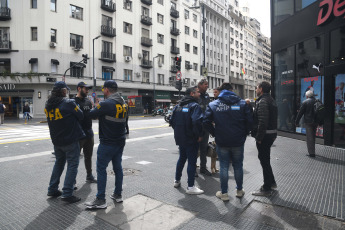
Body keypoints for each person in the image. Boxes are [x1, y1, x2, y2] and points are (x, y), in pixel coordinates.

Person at [204, 82, 253, 201]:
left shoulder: (213, 104)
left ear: (220, 91)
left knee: (224, 166)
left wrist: (214, 132)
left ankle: (224, 193)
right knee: (238, 166)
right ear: (232, 90)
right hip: (238, 141)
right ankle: (239, 190)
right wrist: (244, 133)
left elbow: (205, 121)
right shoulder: (242, 103)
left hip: (222, 140)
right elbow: (250, 121)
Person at [85, 80, 128, 209]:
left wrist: (96, 105)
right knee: (118, 168)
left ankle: (100, 199)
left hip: (108, 142)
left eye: (103, 89)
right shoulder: (124, 103)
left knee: (101, 169)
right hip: (120, 141)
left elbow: (90, 115)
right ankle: (118, 194)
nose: (103, 91)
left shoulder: (106, 104)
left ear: (107, 90)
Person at [45, 81, 85, 203]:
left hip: (57, 141)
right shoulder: (68, 103)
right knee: (72, 165)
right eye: (66, 90)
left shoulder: (48, 104)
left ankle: (52, 189)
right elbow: (81, 115)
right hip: (70, 139)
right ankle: (67, 193)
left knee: (59, 163)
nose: (67, 92)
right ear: (63, 91)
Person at [170, 86, 204, 195]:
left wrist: (179, 131)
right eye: (198, 92)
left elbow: (171, 121)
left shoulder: (178, 106)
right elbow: (196, 121)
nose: (199, 94)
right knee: (192, 161)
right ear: (192, 94)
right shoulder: (195, 106)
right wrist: (198, 134)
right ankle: (190, 186)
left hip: (180, 138)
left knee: (182, 158)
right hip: (191, 138)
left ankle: (177, 180)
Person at [252, 81, 278, 197]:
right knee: (265, 159)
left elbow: (262, 122)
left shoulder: (263, 101)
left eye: (257, 88)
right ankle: (271, 182)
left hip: (265, 135)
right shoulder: (271, 100)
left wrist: (259, 137)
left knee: (264, 160)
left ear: (261, 89)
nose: (256, 90)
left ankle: (266, 187)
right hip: (271, 134)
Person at [75, 82, 97, 183]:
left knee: (88, 156)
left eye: (88, 89)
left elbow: (91, 115)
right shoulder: (73, 101)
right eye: (86, 89)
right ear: (79, 89)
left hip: (89, 133)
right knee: (74, 159)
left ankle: (89, 175)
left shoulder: (88, 101)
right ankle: (72, 180)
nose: (88, 90)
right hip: (78, 135)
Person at [295, 90, 317, 157]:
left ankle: (311, 153)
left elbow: (300, 113)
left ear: (307, 96)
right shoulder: (317, 101)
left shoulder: (305, 102)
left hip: (308, 122)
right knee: (313, 136)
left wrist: (296, 121)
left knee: (309, 137)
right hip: (316, 121)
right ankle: (313, 150)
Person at [197, 79, 212, 176]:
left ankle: (203, 168)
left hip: (205, 125)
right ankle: (193, 169)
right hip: (196, 125)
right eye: (205, 84)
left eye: (207, 84)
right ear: (200, 85)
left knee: (204, 148)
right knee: (194, 149)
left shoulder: (207, 96)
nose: (207, 86)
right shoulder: (195, 94)